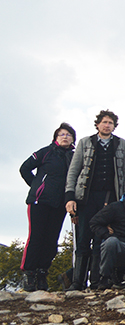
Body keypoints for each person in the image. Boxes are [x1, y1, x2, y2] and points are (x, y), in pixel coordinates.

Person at [65, 109, 125, 291]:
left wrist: (124, 201)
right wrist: (70, 197)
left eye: (110, 123)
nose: (107, 125)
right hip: (86, 198)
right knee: (82, 238)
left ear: (114, 126)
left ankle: (96, 281)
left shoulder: (121, 144)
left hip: (109, 199)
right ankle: (77, 281)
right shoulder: (85, 142)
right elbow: (74, 170)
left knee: (101, 238)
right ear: (97, 124)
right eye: (104, 122)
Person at [20, 122, 76, 291]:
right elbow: (24, 168)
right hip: (40, 202)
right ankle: (29, 273)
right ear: (55, 138)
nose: (65, 137)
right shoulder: (45, 152)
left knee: (52, 240)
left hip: (60, 204)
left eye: (68, 134)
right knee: (36, 237)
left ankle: (42, 272)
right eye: (62, 134)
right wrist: (36, 187)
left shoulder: (74, 157)